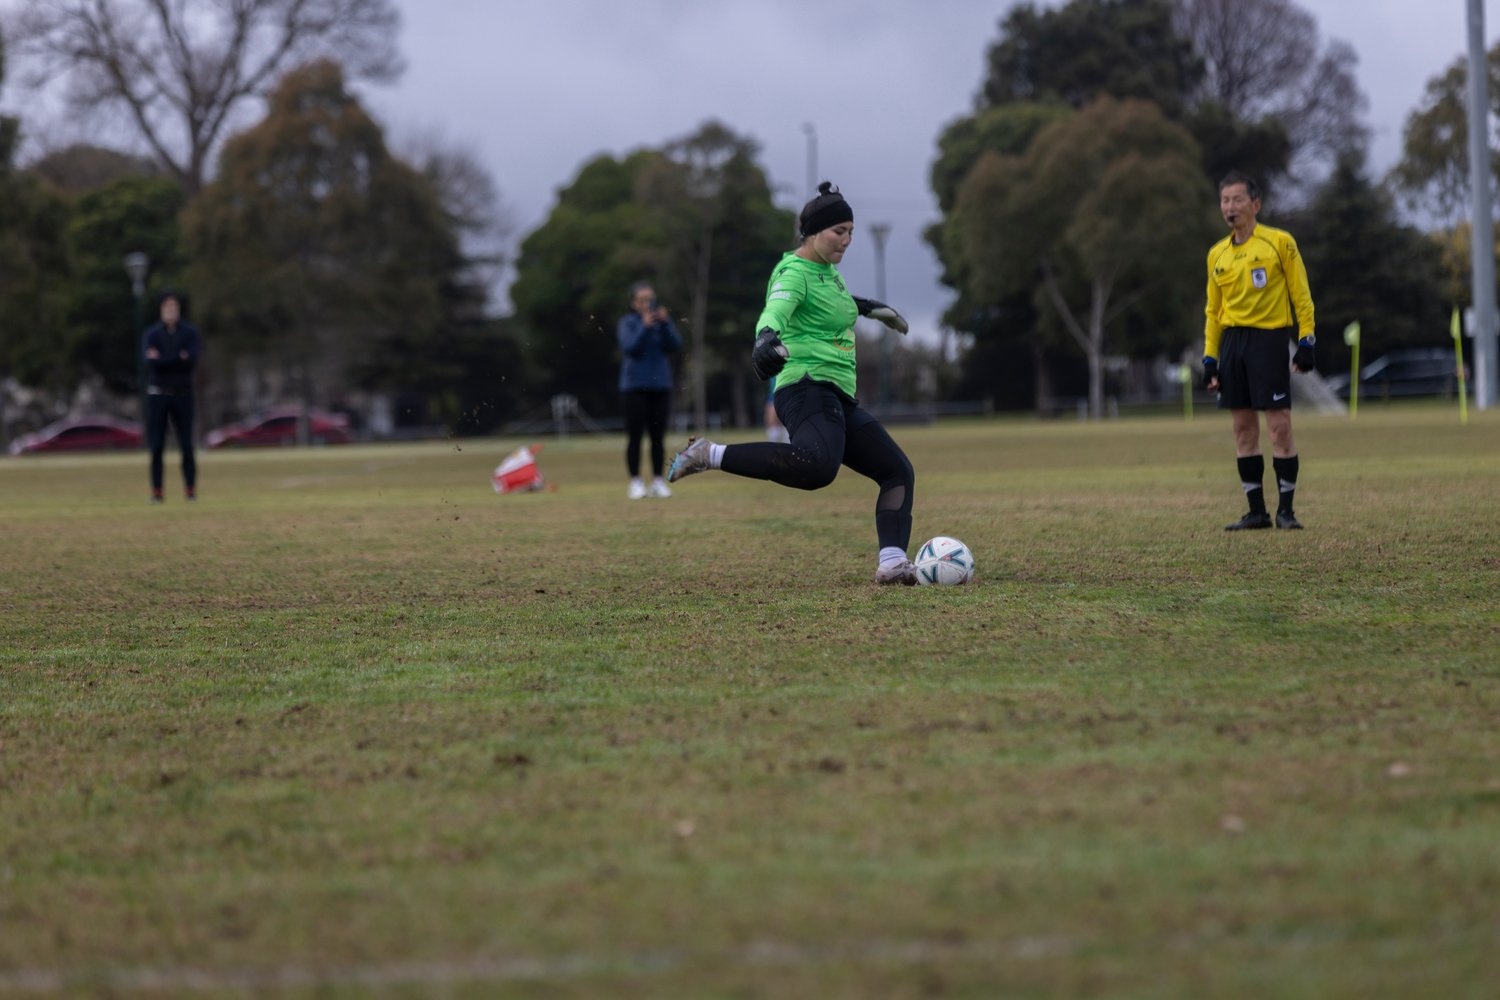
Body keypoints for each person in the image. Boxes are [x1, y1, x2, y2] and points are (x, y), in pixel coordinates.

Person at [665, 182, 916, 584]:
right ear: (814, 232)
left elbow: (835, 303)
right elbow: (776, 309)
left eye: (851, 231)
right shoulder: (793, 271)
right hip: (806, 388)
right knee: (817, 468)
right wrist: (765, 337)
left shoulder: (827, 273)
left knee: (897, 471)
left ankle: (892, 564)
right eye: (839, 231)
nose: (847, 240)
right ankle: (708, 454)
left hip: (837, 396)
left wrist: (866, 307)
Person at [1203, 170, 1316, 531]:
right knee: (1242, 429)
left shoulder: (1279, 243)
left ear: (1255, 204)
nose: (1230, 207)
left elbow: (1301, 294)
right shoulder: (1217, 254)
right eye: (1224, 200)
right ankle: (1256, 512)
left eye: (1237, 200)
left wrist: (1307, 339)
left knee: (1279, 427)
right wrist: (1210, 357)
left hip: (1269, 340)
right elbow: (1212, 311)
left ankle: (1286, 511)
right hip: (1233, 345)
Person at [618, 281, 683, 499]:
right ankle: (635, 481)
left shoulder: (662, 323)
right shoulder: (627, 323)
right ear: (633, 303)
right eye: (643, 300)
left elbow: (676, 345)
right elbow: (630, 348)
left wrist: (665, 324)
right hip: (634, 386)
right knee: (635, 437)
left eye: (651, 299)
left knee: (658, 437)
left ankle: (657, 480)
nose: (648, 304)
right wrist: (644, 327)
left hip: (660, 385)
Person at [142, 290, 201, 503]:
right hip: (158, 395)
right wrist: (178, 357)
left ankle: (190, 491)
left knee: (186, 445)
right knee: (156, 446)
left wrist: (164, 359)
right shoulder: (151, 334)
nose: (171, 311)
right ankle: (157, 492)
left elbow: (191, 361)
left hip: (183, 394)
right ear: (161, 310)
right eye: (167, 307)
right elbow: (151, 363)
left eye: (174, 307)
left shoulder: (190, 333)